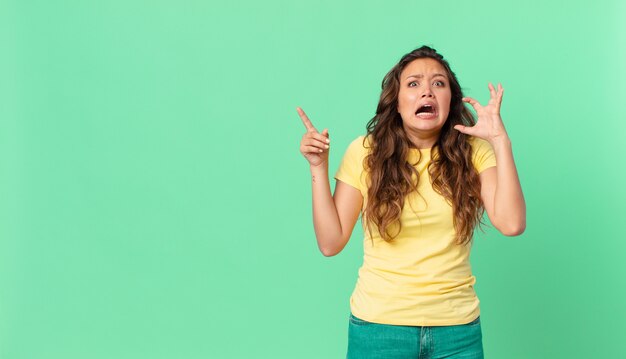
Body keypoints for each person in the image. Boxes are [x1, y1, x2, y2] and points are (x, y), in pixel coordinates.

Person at [297, 45, 526, 359]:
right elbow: (330, 242)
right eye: (414, 83)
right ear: (397, 101)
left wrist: (500, 141)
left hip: (457, 331)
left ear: (450, 100)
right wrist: (318, 167)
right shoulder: (365, 152)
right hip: (379, 328)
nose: (427, 92)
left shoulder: (474, 152)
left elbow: (512, 223)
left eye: (438, 84)